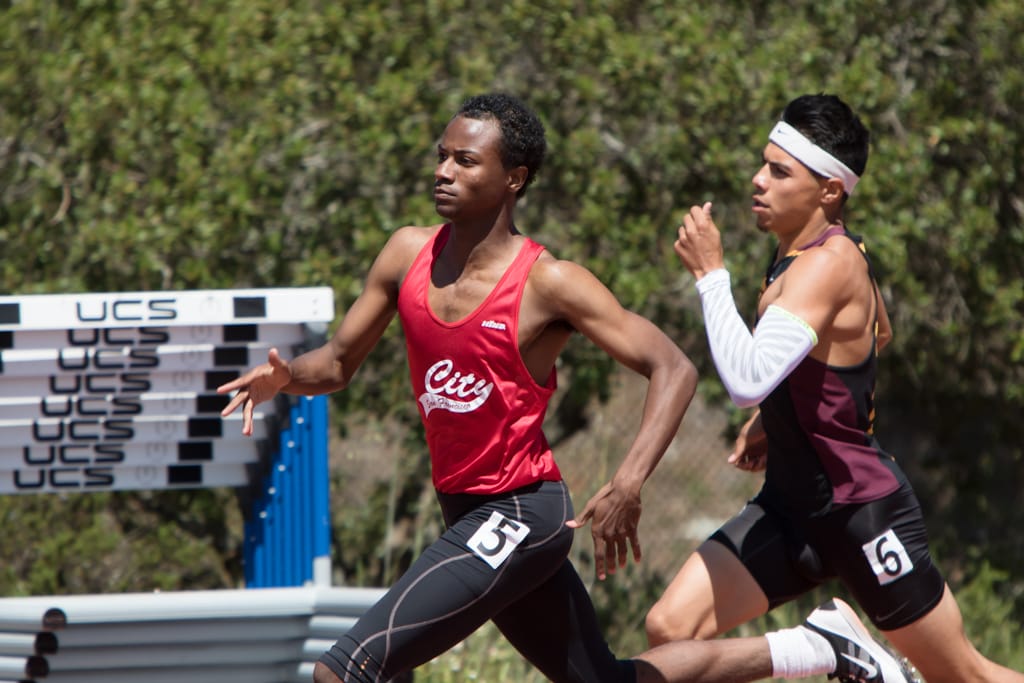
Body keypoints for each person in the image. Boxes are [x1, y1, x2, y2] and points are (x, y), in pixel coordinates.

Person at [219, 92, 913, 683]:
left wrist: (628, 482)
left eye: (466, 161)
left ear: (514, 178)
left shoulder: (549, 282)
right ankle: (816, 649)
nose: (443, 171)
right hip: (462, 510)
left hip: (522, 513)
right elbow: (339, 363)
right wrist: (287, 377)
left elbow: (672, 367)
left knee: (345, 668)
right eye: (442, 155)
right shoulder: (406, 253)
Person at [655, 93, 1024, 683]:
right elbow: (877, 332)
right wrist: (781, 415)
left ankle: (828, 648)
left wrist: (710, 276)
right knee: (671, 628)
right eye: (764, 165)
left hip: (861, 514)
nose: (758, 181)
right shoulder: (800, 252)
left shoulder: (828, 264)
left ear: (829, 190)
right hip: (790, 507)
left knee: (965, 677)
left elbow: (747, 379)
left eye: (780, 172)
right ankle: (827, 647)